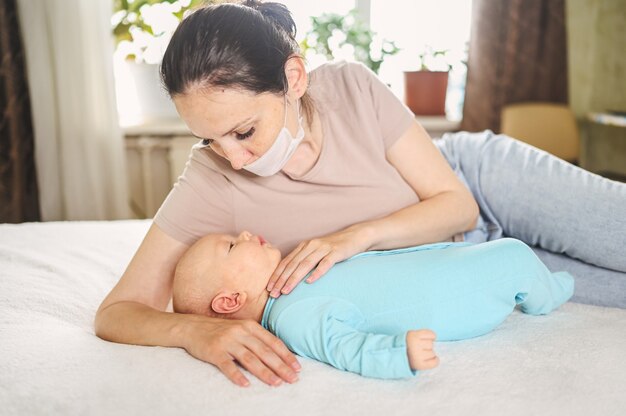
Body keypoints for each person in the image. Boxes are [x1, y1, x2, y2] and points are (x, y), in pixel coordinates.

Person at [94, 0, 626, 388]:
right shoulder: (211, 177)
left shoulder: (349, 86)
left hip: (483, 184)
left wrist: (356, 237)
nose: (232, 157)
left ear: (293, 79)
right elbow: (118, 311)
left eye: (243, 131)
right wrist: (196, 333)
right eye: (208, 138)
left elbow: (457, 203)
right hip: (459, 261)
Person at [172, 231, 574, 380]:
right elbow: (346, 348)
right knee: (513, 255)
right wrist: (401, 355)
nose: (243, 233)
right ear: (230, 301)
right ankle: (548, 294)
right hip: (450, 294)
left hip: (438, 264)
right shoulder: (293, 317)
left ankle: (535, 278)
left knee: (495, 252)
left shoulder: (286, 286)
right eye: (230, 245)